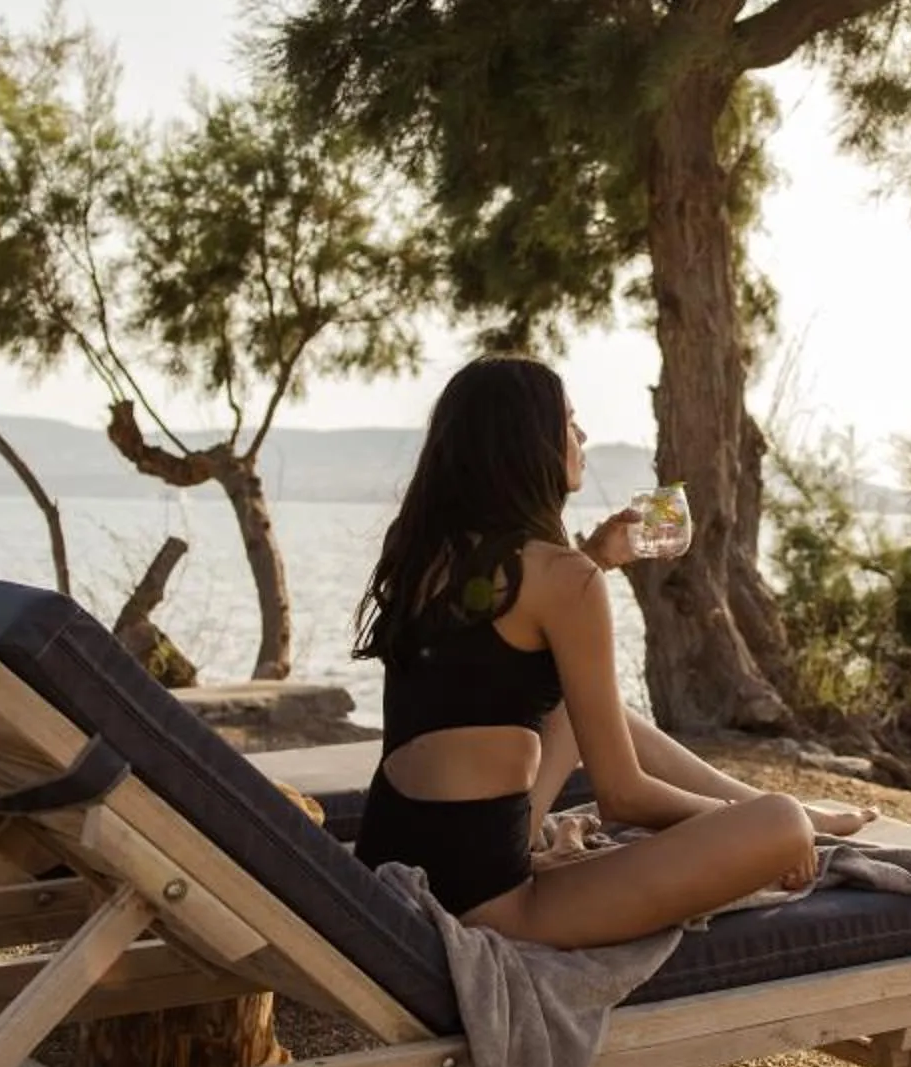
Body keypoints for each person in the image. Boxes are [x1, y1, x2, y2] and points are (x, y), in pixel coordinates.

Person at [351, 355, 865, 947]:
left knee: (583, 707)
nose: (583, 435)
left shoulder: (423, 553)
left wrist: (595, 557)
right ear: (530, 444)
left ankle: (782, 806)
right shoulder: (565, 580)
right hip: (486, 905)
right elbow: (623, 795)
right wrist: (748, 826)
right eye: (569, 423)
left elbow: (488, 665)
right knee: (781, 822)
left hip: (388, 862)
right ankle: (789, 811)